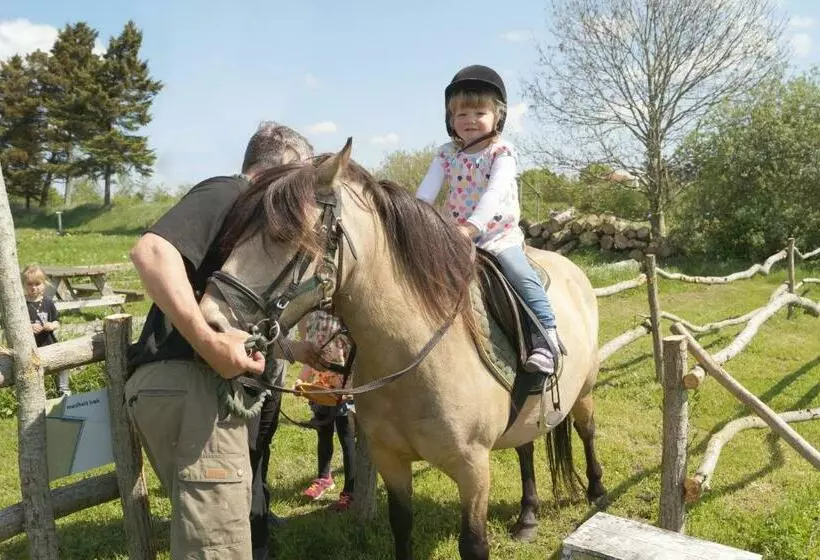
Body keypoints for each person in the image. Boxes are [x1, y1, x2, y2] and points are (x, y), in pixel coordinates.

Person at [124, 122, 318, 560]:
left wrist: (292, 350)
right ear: (280, 165)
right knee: (217, 548)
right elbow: (152, 253)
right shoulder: (230, 192)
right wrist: (210, 347)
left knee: (207, 532)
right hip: (195, 384)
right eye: (300, 178)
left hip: (187, 387)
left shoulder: (246, 218)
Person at [416, 65, 560, 374]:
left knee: (518, 271)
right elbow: (426, 192)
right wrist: (413, 220)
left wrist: (472, 227)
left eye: (479, 113)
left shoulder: (502, 152)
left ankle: (546, 335)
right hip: (453, 235)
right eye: (461, 115)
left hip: (497, 234)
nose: (469, 121)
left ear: (498, 116)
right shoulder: (446, 153)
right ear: (450, 119)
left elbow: (493, 193)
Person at [295, 310, 356, 511]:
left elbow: (353, 366)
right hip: (321, 392)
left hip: (343, 395)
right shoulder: (315, 333)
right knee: (323, 434)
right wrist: (301, 380)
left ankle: (350, 491)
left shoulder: (344, 335)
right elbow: (310, 363)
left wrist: (347, 392)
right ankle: (324, 478)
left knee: (347, 441)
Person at [21, 264, 67, 395]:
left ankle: (63, 389)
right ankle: (39, 393)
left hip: (49, 343)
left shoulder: (48, 302)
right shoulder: (22, 303)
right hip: (31, 347)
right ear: (24, 284)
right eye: (30, 284)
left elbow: (57, 321)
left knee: (63, 363)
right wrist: (28, 327)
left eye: (37, 284)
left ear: (44, 284)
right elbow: (16, 326)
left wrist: (52, 325)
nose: (34, 287)